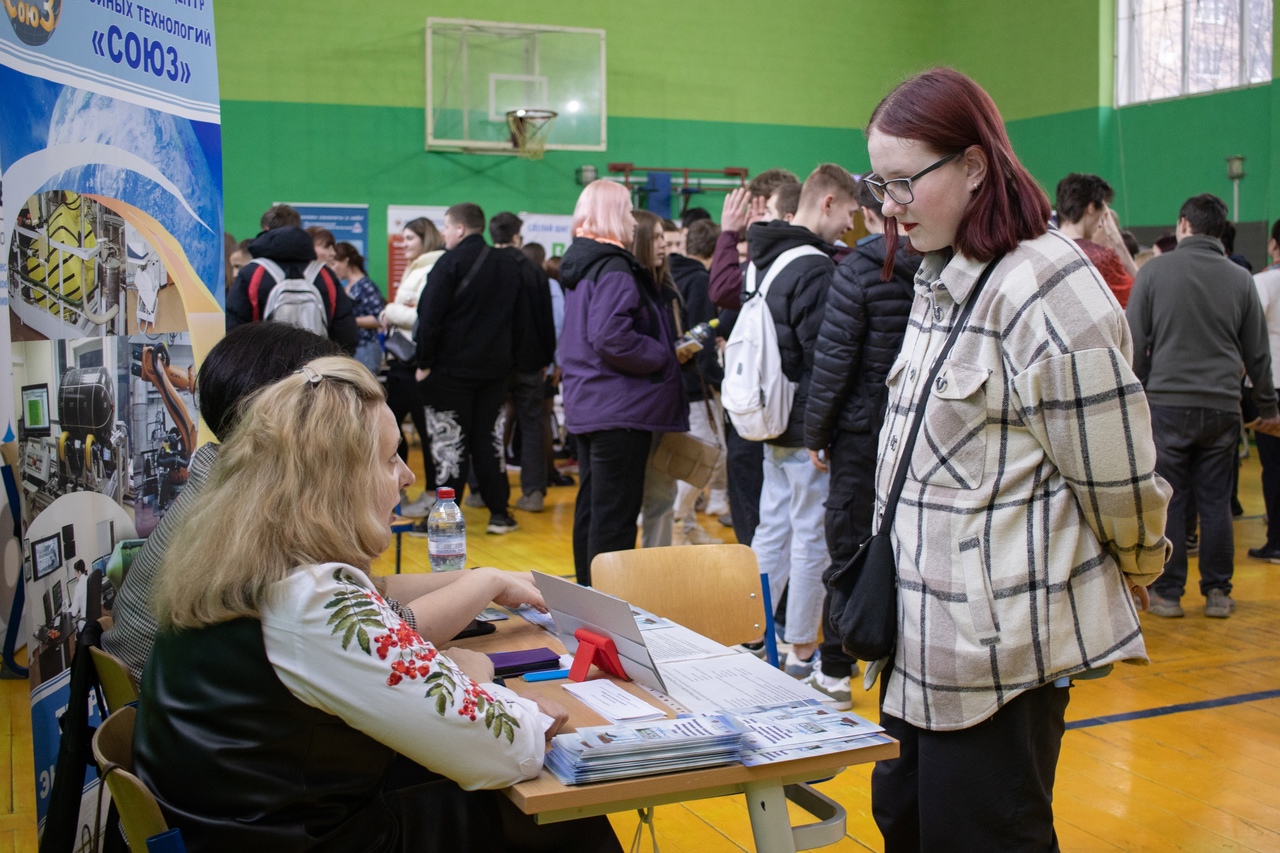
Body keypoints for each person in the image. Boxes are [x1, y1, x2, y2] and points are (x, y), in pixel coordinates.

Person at [863, 68, 1171, 851]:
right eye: (880, 185)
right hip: (916, 641)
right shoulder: (944, 276)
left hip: (994, 654)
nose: (891, 207)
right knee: (908, 820)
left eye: (905, 183)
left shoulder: (1046, 282)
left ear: (973, 166)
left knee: (987, 834)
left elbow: (1117, 469)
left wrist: (1140, 556)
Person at [134, 356, 620, 852]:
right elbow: (508, 749)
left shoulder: (231, 559)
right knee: (562, 821)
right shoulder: (313, 602)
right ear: (335, 479)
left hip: (235, 825)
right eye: (390, 458)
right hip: (300, 836)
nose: (408, 476)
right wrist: (475, 678)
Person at [102, 323, 346, 681]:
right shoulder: (261, 511)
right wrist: (463, 584)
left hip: (158, 707)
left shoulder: (218, 477)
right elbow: (365, 630)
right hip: (177, 718)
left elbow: (362, 603)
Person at [1127, 194, 1280, 618]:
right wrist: (1266, 407)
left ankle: (1168, 594)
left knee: (1172, 500)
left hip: (1167, 406)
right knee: (1215, 502)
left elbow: (1136, 345)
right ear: (1219, 230)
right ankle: (1218, 593)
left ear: (1182, 225)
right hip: (1222, 409)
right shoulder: (1241, 280)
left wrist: (1134, 398)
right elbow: (1258, 354)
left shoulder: (1154, 272)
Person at [802, 176, 919, 708]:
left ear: (869, 216)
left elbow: (834, 363)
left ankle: (834, 667)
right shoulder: (948, 266)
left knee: (847, 546)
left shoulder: (857, 269)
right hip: (922, 432)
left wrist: (817, 433)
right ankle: (901, 658)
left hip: (861, 433)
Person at [743, 164, 856, 680]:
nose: (853, 225)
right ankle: (802, 651)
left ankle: (750, 632)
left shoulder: (763, 257)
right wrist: (821, 432)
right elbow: (823, 359)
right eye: (852, 211)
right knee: (811, 537)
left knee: (772, 531)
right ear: (828, 202)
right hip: (803, 426)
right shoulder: (814, 268)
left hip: (768, 418)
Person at [558, 181, 687, 585]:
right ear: (615, 214)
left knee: (594, 508)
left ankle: (588, 596)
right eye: (630, 211)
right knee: (613, 515)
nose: (634, 220)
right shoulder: (614, 267)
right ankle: (606, 606)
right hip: (618, 406)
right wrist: (661, 353)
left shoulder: (585, 264)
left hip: (590, 402)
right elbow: (610, 336)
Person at [415, 203, 524, 535]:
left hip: (450, 371)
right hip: (494, 371)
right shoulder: (509, 264)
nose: (445, 234)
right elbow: (519, 319)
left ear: (460, 229)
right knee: (489, 442)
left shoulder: (449, 262)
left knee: (448, 444)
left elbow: (429, 316)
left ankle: (445, 520)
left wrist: (423, 362)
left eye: (447, 227)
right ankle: (499, 513)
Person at [489, 211, 557, 513]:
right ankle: (533, 492)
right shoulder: (533, 270)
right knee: (531, 425)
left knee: (489, 426)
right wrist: (547, 358)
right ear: (517, 235)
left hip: (491, 361)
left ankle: (483, 490)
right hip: (530, 362)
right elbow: (546, 320)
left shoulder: (484, 265)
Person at [226, 204, 358, 353]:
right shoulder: (325, 275)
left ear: (266, 230)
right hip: (316, 370)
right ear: (298, 228)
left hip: (267, 371)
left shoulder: (253, 273)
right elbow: (346, 335)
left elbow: (235, 334)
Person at [670, 218, 729, 544]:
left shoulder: (667, 274)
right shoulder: (700, 281)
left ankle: (687, 525)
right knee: (709, 453)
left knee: (683, 457)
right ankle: (676, 515)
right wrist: (716, 379)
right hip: (695, 384)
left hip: (670, 380)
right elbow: (703, 337)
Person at [381, 217, 445, 516]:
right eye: (402, 239)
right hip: (401, 362)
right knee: (390, 430)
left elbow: (421, 316)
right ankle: (396, 492)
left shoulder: (433, 267)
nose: (403, 244)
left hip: (417, 363)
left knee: (426, 431)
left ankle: (433, 493)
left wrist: (390, 311)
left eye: (410, 239)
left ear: (425, 239)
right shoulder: (416, 267)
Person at [1054, 173, 1137, 307]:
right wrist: (1118, 242)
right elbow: (1140, 292)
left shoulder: (1046, 249)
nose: (1101, 221)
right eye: (1103, 210)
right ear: (1091, 207)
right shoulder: (1101, 257)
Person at [1250, 218, 1280, 562]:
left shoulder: (1263, 282)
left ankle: (1276, 541)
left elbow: (1252, 341)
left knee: (1272, 467)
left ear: (1273, 244)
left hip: (1269, 386)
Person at [332, 241, 386, 375]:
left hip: (365, 348)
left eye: (334, 263)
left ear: (345, 261)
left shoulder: (365, 286)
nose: (333, 268)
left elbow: (379, 318)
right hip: (353, 348)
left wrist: (350, 322)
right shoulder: (348, 286)